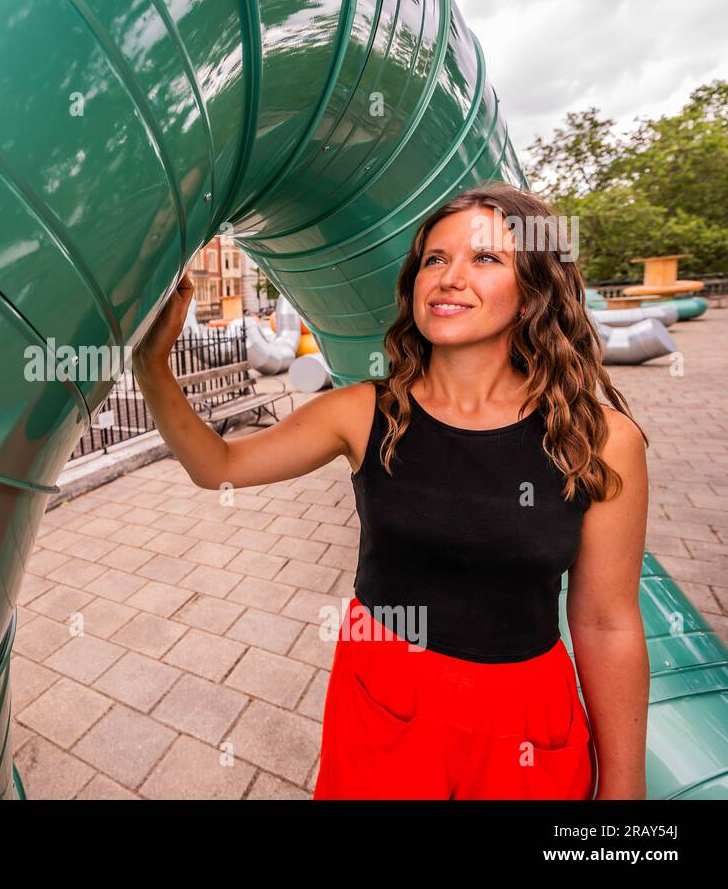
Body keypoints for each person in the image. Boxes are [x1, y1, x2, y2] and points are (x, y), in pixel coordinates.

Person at [130, 181, 649, 800]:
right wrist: (151, 368)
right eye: (435, 259)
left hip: (526, 728)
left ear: (536, 286)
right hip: (381, 697)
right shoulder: (362, 412)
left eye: (485, 258)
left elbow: (606, 622)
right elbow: (218, 465)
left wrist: (625, 792)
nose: (450, 278)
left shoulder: (600, 439)